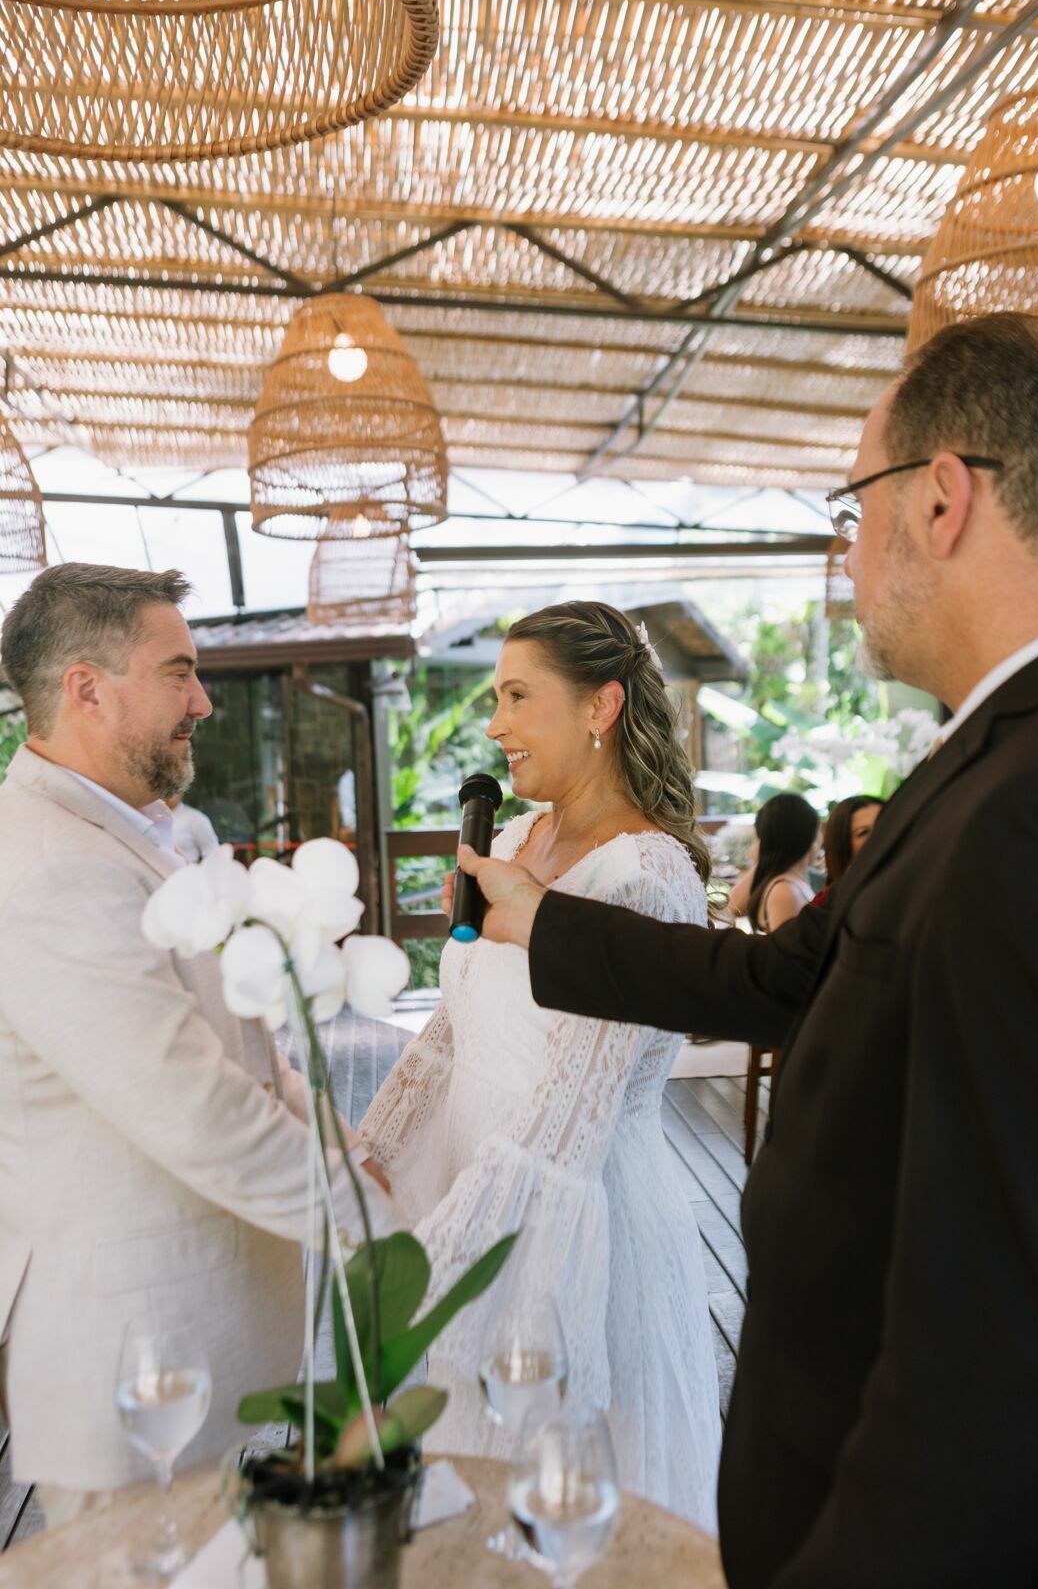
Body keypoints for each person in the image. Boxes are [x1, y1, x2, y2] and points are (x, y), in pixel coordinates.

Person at [452, 314, 1038, 1585]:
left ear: (939, 499)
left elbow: (999, 1297)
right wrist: (540, 917)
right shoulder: (983, 752)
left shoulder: (1032, 798)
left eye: (852, 509)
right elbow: (790, 977)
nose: (845, 554)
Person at [0, 563, 395, 1523]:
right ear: (87, 689)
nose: (203, 702)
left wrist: (351, 1153)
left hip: (200, 1333)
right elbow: (194, 1106)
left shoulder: (144, 834)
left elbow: (247, 1055)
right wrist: (375, 1225)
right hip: (135, 1362)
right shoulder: (48, 866)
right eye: (178, 673)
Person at [356, 601, 721, 1531]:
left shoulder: (642, 879)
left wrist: (432, 1264)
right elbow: (452, 1029)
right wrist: (373, 1155)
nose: (494, 726)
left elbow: (567, 1120)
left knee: (565, 1517)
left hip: (570, 1226)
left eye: (517, 697)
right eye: (495, 699)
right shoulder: (512, 845)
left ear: (600, 707)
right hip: (471, 1191)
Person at [726, 793, 820, 931]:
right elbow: (734, 907)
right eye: (817, 830)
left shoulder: (792, 881)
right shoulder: (785, 891)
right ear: (806, 835)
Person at [810, 792, 884, 906]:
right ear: (843, 846)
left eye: (883, 824)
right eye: (863, 832)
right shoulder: (826, 905)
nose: (878, 835)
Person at [165, 792, 220, 863]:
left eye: (170, 792)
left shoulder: (196, 818)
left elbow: (212, 853)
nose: (165, 796)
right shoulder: (151, 815)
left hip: (184, 869)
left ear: (182, 792)